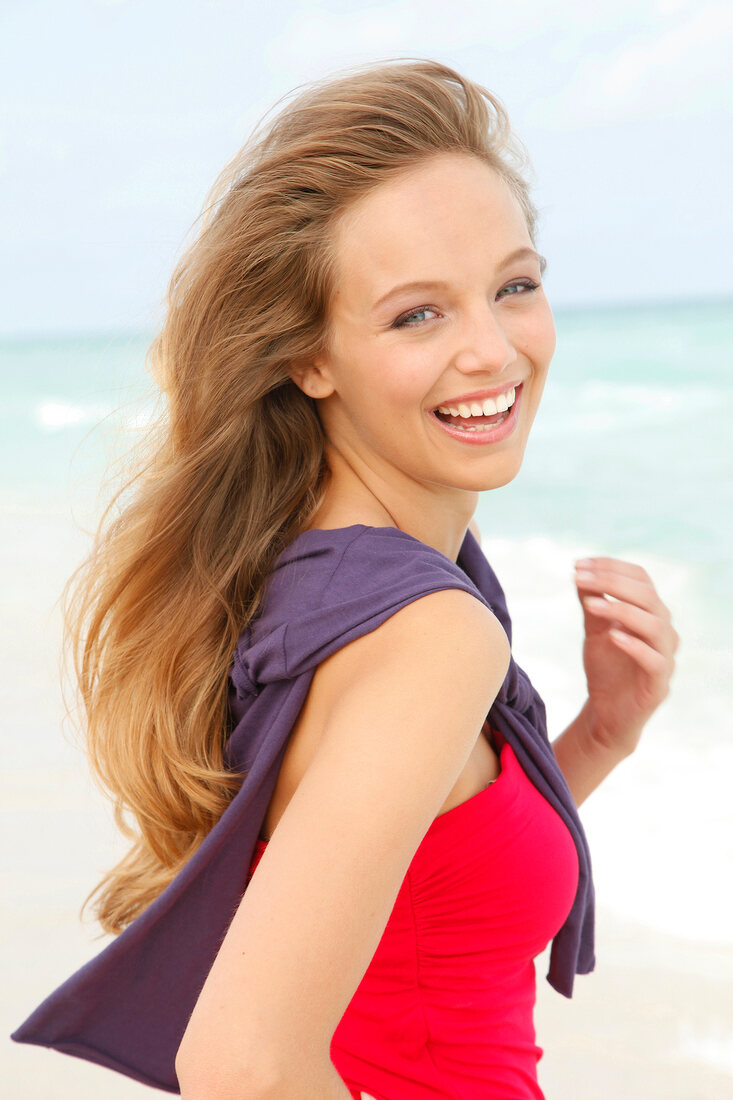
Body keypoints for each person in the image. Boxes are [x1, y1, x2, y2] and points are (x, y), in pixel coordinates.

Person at [11, 59, 678, 1099]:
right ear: (309, 355)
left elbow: (421, 898)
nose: (493, 349)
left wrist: (600, 733)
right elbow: (241, 1065)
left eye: (514, 285)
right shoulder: (426, 632)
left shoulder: (307, 576)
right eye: (418, 315)